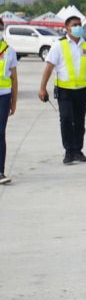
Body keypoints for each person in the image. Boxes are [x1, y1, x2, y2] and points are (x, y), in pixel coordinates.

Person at [38, 15, 86, 164]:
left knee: (80, 122)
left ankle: (78, 150)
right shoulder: (59, 45)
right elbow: (49, 68)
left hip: (81, 89)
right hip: (64, 89)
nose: (78, 27)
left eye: (80, 24)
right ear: (67, 28)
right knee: (66, 119)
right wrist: (42, 88)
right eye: (75, 25)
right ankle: (68, 151)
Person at [0, 19, 18, 184]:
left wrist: (14, 101)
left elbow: (14, 78)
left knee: (0, 133)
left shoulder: (9, 51)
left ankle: (0, 172)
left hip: (3, 97)